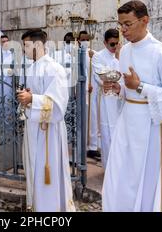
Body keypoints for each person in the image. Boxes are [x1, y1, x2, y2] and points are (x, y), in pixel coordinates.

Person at [101, 0, 162, 212]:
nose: (123, 30)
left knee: (147, 183)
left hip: (150, 128)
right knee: (120, 177)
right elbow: (129, 90)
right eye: (120, 24)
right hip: (126, 125)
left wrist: (141, 86)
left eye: (128, 24)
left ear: (144, 21)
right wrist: (119, 89)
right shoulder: (124, 52)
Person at [17, 29, 76, 212]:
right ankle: (35, 205)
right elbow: (30, 94)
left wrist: (32, 99)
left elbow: (58, 104)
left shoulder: (54, 68)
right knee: (33, 168)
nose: (24, 50)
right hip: (32, 127)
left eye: (26, 46)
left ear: (38, 45)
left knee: (46, 172)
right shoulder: (31, 67)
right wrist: (25, 97)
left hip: (47, 131)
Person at [91, 28, 122, 169]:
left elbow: (123, 76)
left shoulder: (120, 56)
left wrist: (119, 57)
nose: (115, 47)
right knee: (107, 133)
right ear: (105, 43)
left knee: (119, 135)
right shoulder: (99, 56)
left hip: (120, 99)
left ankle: (119, 167)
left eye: (117, 44)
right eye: (112, 44)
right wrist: (113, 77)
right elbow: (102, 76)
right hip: (106, 99)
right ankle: (109, 168)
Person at [78, 31, 100, 159]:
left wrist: (93, 58)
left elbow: (97, 70)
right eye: (83, 39)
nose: (85, 41)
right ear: (79, 40)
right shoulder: (76, 53)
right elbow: (78, 72)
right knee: (84, 117)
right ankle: (84, 145)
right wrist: (86, 85)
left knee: (93, 117)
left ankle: (93, 145)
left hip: (94, 91)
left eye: (87, 39)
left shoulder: (94, 54)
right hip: (83, 91)